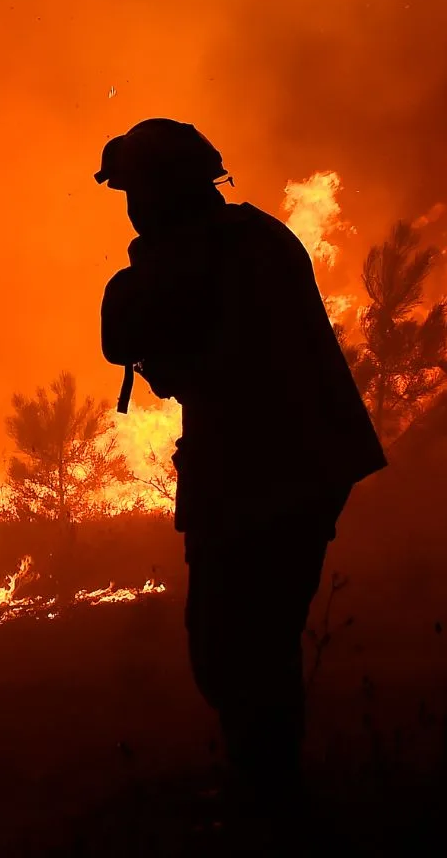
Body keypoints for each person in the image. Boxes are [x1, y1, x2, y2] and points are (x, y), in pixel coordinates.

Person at [95, 118, 385, 819]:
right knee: (255, 635)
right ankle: (269, 785)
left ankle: (270, 796)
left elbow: (122, 329)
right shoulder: (251, 237)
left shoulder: (201, 254)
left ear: (166, 190)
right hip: (298, 460)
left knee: (234, 638)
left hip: (265, 466)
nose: (130, 206)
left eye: (136, 190)